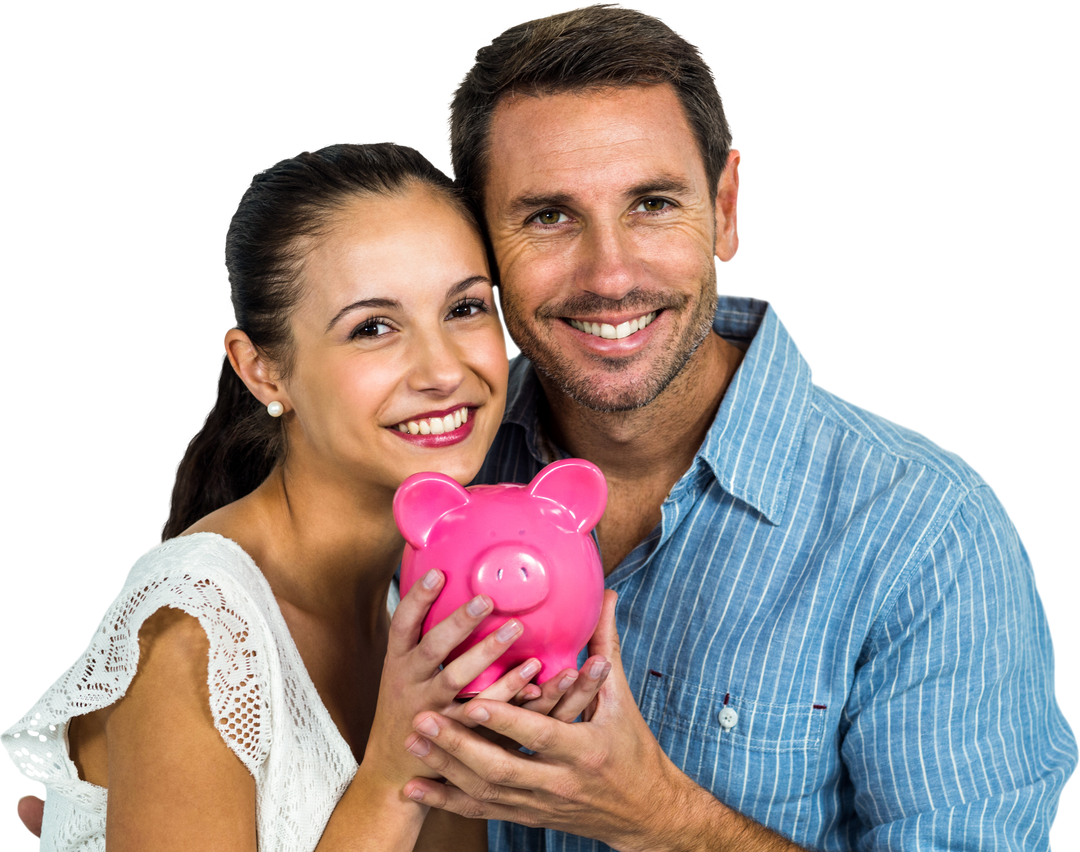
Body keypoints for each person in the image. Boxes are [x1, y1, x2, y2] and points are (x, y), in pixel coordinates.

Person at [383, 4, 1079, 851]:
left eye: (651, 203)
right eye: (548, 217)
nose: (611, 275)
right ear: (479, 242)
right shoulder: (417, 466)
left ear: (726, 208)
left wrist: (655, 816)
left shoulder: (929, 532)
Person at [1, 139, 610, 851]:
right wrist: (395, 771)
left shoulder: (415, 603)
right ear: (263, 371)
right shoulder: (195, 639)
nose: (444, 369)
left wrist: (486, 742)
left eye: (465, 308)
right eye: (373, 328)